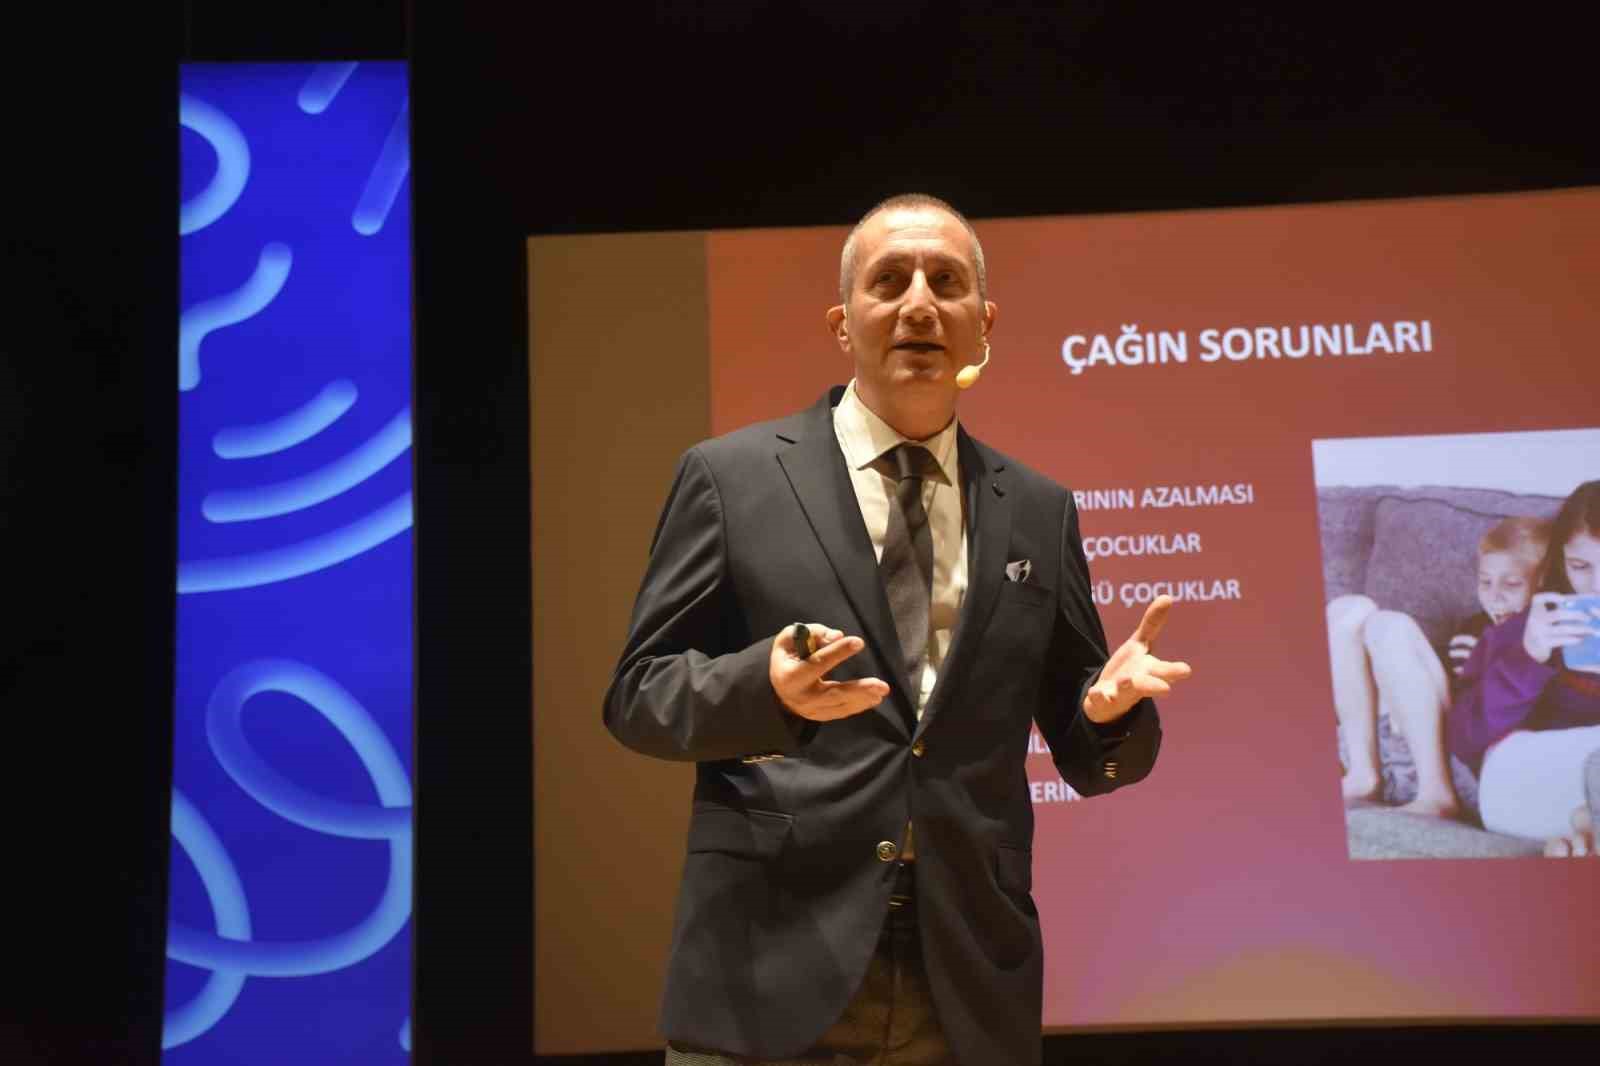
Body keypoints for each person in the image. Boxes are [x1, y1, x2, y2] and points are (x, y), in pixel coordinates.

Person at [603, 193, 1192, 1066]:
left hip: (966, 973)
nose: (920, 303)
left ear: (983, 323)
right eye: (890, 281)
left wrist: (1107, 714)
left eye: (946, 282)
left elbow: (1083, 752)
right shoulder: (732, 479)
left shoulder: (1038, 511)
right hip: (767, 957)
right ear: (843, 323)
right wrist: (764, 687)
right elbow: (638, 694)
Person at [1327, 516, 1549, 819]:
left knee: (1390, 626)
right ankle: (1363, 774)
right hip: (1403, 743)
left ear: (1542, 582)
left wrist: (1489, 662)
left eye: (1511, 584)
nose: (1494, 595)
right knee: (1350, 608)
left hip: (1461, 765)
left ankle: (1436, 794)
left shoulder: (1542, 640)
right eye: (1485, 582)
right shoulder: (1474, 627)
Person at [1447, 480, 1600, 856]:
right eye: (1580, 566)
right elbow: (1462, 738)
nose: (1596, 586)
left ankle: (1586, 829)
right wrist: (1528, 658)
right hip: (1525, 784)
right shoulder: (1520, 630)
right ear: (1559, 562)